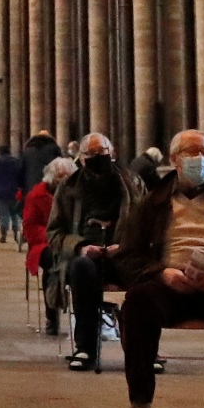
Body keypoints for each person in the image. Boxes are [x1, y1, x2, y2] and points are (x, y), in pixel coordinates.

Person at [98, 130, 204, 408]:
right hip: (170, 284)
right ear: (175, 159)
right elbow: (128, 255)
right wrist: (162, 273)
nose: (200, 159)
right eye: (192, 152)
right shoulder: (152, 204)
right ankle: (140, 405)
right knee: (137, 304)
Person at [56, 133, 142, 371]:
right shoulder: (69, 187)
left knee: (146, 276)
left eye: (102, 154)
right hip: (88, 256)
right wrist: (80, 247)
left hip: (124, 254)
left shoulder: (132, 183)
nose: (97, 159)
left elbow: (147, 225)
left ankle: (143, 350)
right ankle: (85, 347)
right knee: (81, 269)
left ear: (112, 153)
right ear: (81, 159)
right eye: (91, 155)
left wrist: (125, 247)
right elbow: (55, 232)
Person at [25, 155, 71, 335]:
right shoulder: (36, 196)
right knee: (53, 264)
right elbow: (30, 227)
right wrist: (53, 237)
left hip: (70, 242)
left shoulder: (75, 195)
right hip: (44, 245)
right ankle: (52, 314)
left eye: (67, 176)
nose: (63, 180)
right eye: (60, 176)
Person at [0, 144, 26, 244]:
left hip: (0, 192)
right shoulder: (16, 162)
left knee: (2, 214)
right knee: (15, 213)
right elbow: (21, 177)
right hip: (14, 192)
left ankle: (4, 233)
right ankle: (16, 232)